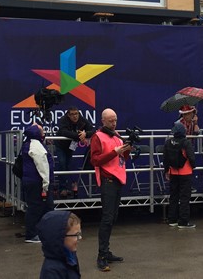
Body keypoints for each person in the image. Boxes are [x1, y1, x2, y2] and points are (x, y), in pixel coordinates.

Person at [90, 108, 130, 272]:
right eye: (111, 121)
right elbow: (95, 160)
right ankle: (101, 255)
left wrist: (126, 151)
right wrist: (114, 153)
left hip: (118, 178)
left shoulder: (117, 135)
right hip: (108, 180)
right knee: (107, 218)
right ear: (103, 121)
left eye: (115, 120)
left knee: (113, 217)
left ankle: (106, 251)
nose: (114, 123)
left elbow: (122, 158)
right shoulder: (97, 136)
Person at [22, 124, 55, 243]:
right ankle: (32, 234)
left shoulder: (29, 143)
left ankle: (38, 232)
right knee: (37, 208)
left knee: (37, 207)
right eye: (42, 131)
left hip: (32, 181)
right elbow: (43, 166)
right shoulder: (36, 146)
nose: (44, 133)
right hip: (37, 182)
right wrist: (46, 184)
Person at [56, 107, 95, 197]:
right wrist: (79, 136)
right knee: (62, 163)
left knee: (69, 164)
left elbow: (92, 130)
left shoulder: (81, 119)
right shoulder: (63, 120)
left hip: (72, 145)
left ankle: (71, 186)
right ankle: (62, 188)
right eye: (72, 114)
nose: (75, 116)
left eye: (76, 114)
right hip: (61, 145)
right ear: (68, 115)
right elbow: (63, 132)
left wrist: (85, 134)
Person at [163, 122, 197, 229]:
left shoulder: (168, 142)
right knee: (184, 198)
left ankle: (172, 220)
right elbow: (191, 157)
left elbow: (165, 158)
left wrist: (166, 170)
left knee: (173, 196)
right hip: (185, 172)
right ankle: (183, 222)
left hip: (173, 172)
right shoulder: (186, 143)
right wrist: (193, 166)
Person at [37, 210, 82, 279]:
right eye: (76, 235)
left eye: (79, 234)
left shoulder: (70, 256)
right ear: (60, 237)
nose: (80, 238)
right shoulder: (51, 271)